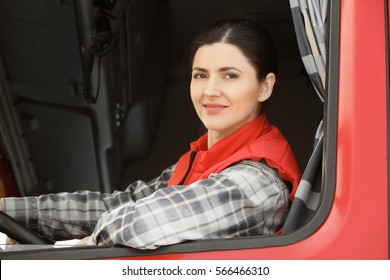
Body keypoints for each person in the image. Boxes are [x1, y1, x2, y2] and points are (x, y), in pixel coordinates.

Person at [0, 19, 301, 250]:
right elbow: (117, 205)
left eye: (230, 75)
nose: (210, 91)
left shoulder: (258, 183)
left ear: (265, 86)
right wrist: (8, 210)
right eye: (200, 75)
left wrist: (83, 246)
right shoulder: (204, 162)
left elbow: (140, 223)